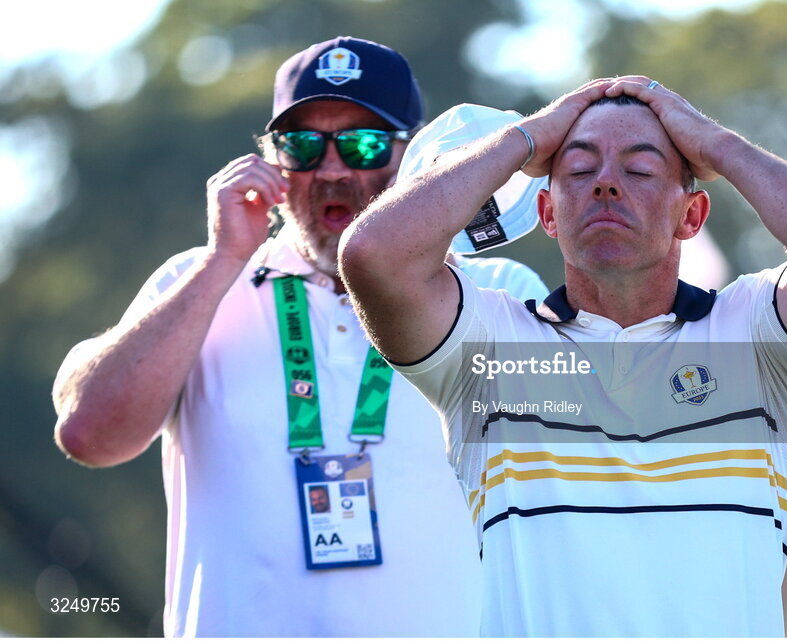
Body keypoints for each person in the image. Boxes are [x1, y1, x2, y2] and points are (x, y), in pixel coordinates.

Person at [339, 76, 787, 636]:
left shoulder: (755, 337)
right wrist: (526, 139)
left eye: (639, 170)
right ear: (548, 214)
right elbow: (373, 255)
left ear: (692, 216)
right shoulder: (490, 348)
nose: (605, 184)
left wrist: (717, 146)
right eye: (580, 171)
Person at [51, 37, 547, 637]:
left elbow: (594, 456)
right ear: (273, 163)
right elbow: (90, 434)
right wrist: (223, 259)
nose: (333, 170)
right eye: (304, 146)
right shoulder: (200, 280)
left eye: (363, 144)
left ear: (413, 161)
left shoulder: (493, 285)